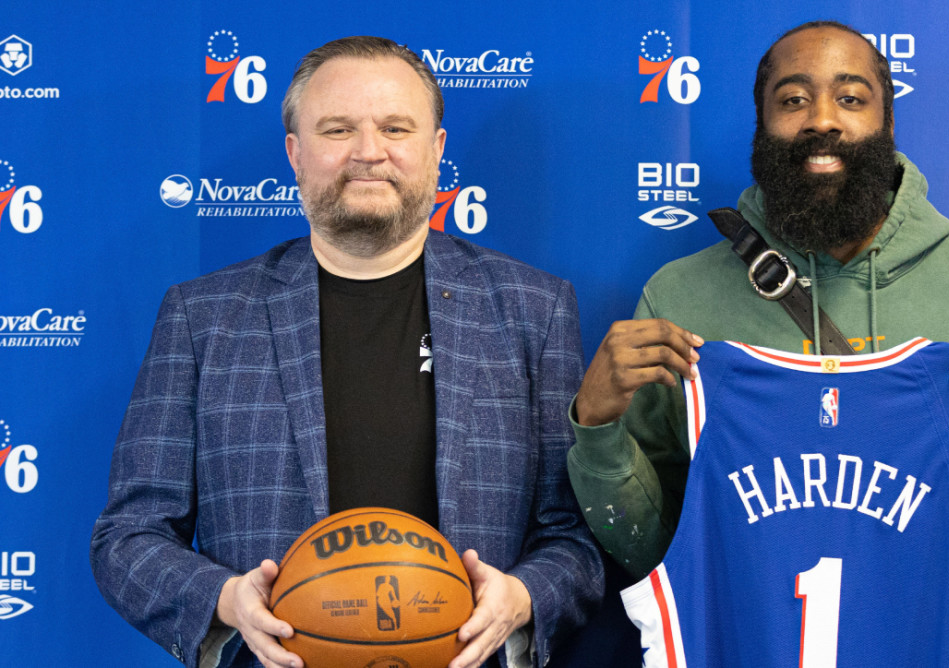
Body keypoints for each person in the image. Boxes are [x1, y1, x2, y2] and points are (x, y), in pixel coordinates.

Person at [91, 36, 602, 668]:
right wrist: (226, 599)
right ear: (296, 155)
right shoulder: (204, 317)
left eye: (395, 127)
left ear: (437, 150)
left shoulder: (534, 310)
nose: (368, 152)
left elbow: (575, 538)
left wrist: (519, 599)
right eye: (337, 129)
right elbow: (128, 537)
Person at [568, 20, 949, 585]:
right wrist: (596, 429)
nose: (822, 119)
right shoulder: (680, 298)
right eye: (793, 99)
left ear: (887, 122)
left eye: (851, 98)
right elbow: (650, 553)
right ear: (761, 125)